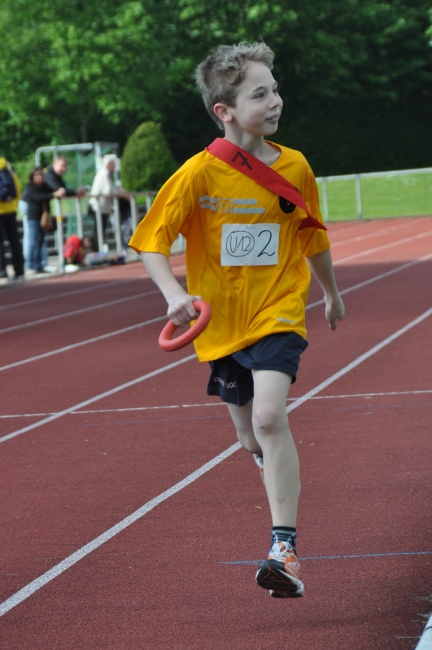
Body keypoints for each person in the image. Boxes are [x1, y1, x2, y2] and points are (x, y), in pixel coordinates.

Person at [129, 42, 345, 599]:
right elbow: (151, 242)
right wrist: (172, 292)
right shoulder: (198, 174)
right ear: (224, 110)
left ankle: (284, 550)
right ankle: (274, 476)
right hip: (220, 325)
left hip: (277, 310)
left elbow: (312, 234)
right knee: (250, 434)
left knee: (271, 419)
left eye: (274, 89)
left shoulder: (295, 166)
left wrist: (330, 292)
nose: (276, 100)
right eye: (260, 93)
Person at [21, 167, 66, 273]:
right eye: (36, 175)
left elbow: (53, 189)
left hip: (43, 217)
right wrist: (53, 194)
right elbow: (39, 197)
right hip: (34, 217)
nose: (39, 177)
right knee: (34, 241)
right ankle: (31, 265)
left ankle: (39, 265)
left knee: (41, 241)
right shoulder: (30, 187)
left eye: (40, 175)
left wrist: (60, 189)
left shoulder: (44, 186)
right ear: (32, 177)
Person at [88, 154, 130, 251]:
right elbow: (108, 191)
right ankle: (97, 251)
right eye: (113, 163)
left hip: (101, 207)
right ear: (108, 164)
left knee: (100, 230)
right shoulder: (104, 174)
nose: (115, 166)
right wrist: (119, 193)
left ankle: (98, 250)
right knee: (99, 231)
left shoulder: (104, 173)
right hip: (98, 207)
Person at [0, 157, 25, 281]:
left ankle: (2, 272)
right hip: (11, 209)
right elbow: (17, 186)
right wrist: (15, 203)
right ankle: (19, 271)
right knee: (14, 241)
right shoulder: (7, 166)